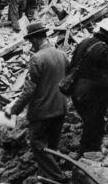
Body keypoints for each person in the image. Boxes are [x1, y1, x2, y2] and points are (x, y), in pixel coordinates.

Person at [7, 21, 68, 183]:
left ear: (34, 39)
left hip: (43, 112)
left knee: (38, 145)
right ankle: (46, 179)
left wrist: (13, 111)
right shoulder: (61, 54)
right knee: (51, 148)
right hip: (60, 109)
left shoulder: (37, 58)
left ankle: (58, 179)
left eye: (30, 41)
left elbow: (28, 90)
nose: (30, 45)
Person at [69, 18, 108, 157]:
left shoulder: (84, 43)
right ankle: (87, 158)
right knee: (94, 127)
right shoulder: (103, 50)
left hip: (76, 92)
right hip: (91, 95)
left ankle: (83, 152)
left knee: (88, 123)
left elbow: (71, 66)